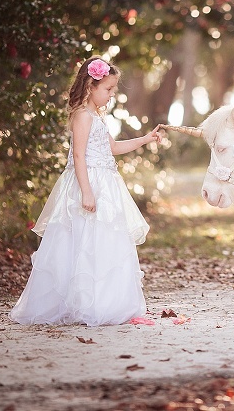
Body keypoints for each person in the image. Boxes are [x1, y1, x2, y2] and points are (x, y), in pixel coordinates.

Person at [10, 56, 162, 326]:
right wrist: (87, 192)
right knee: (81, 244)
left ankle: (104, 302)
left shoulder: (96, 117)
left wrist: (146, 139)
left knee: (103, 244)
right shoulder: (82, 115)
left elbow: (112, 148)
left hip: (105, 185)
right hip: (88, 183)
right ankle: (82, 303)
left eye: (113, 89)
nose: (112, 94)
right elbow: (78, 156)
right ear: (91, 86)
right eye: (108, 89)